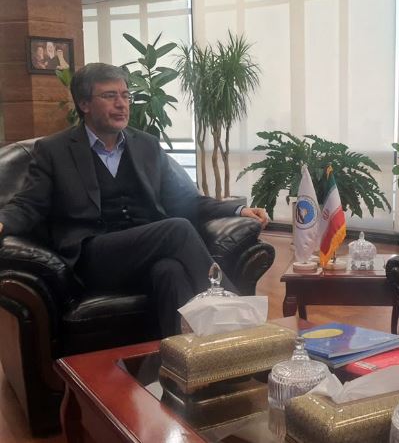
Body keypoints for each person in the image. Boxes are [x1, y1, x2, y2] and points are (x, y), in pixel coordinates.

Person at [0, 63, 269, 336]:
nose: (121, 104)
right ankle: (243, 324)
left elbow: (184, 201)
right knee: (176, 229)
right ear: (84, 104)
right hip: (94, 256)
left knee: (170, 271)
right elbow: (28, 204)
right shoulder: (54, 151)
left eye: (125, 95)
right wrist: (2, 222)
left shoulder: (146, 145)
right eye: (109, 96)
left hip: (144, 250)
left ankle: (178, 357)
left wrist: (237, 209)